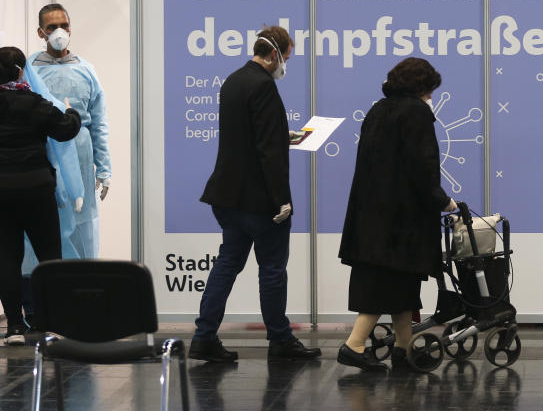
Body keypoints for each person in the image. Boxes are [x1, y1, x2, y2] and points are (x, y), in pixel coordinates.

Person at [189, 26, 320, 362]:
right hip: (259, 201)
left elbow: (247, 136)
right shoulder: (264, 86)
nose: (285, 66)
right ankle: (280, 340)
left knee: (227, 263)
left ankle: (203, 336)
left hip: (226, 195)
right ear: (274, 54)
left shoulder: (233, 80)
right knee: (272, 270)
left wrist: (281, 134)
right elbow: (267, 152)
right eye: (287, 58)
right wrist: (282, 198)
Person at [337, 57, 458, 372]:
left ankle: (404, 349)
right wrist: (442, 201)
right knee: (387, 286)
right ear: (421, 86)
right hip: (401, 221)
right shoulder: (415, 113)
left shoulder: (378, 110)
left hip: (371, 217)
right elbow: (422, 165)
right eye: (429, 90)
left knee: (401, 287)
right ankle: (354, 344)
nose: (430, 97)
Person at [0, 47, 81, 345]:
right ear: (20, 71)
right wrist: (72, 111)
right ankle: (50, 323)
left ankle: (14, 328)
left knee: (8, 256)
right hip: (32, 188)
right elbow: (65, 130)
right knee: (49, 257)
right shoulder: (32, 102)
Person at [30, 3, 111, 260]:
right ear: (40, 32)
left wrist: (104, 168)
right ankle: (42, 292)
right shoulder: (30, 69)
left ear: (70, 28)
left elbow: (98, 122)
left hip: (80, 152)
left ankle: (83, 287)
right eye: (51, 27)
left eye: (63, 26)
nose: (59, 32)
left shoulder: (85, 70)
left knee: (82, 223)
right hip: (41, 156)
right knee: (44, 223)